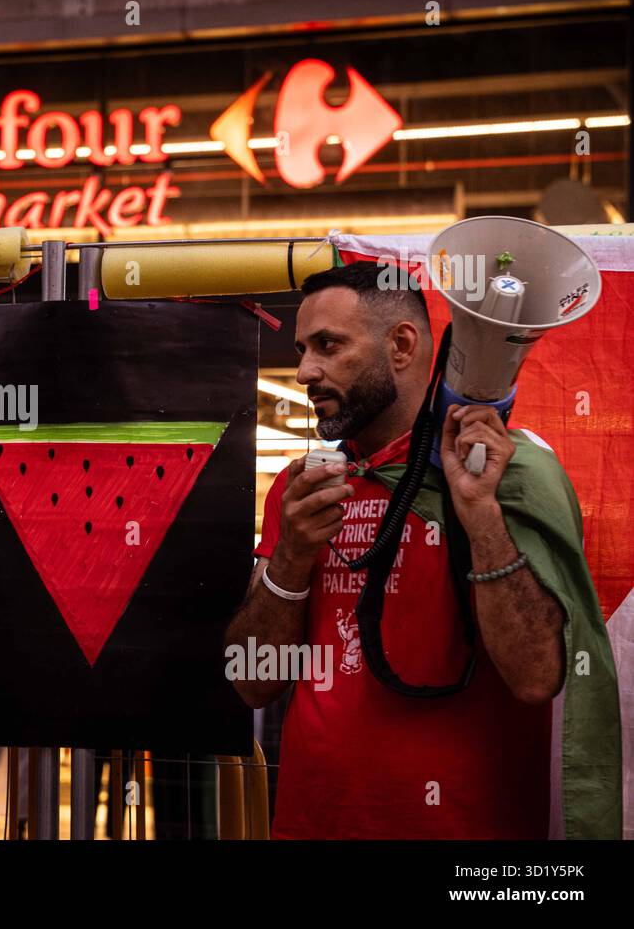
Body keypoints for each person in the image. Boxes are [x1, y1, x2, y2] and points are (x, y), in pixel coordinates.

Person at [224, 260, 602, 839]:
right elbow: (251, 683)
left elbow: (535, 677)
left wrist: (479, 513)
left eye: (328, 345)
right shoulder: (302, 486)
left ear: (401, 345)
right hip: (312, 824)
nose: (303, 371)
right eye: (303, 348)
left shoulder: (510, 475)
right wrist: (291, 557)